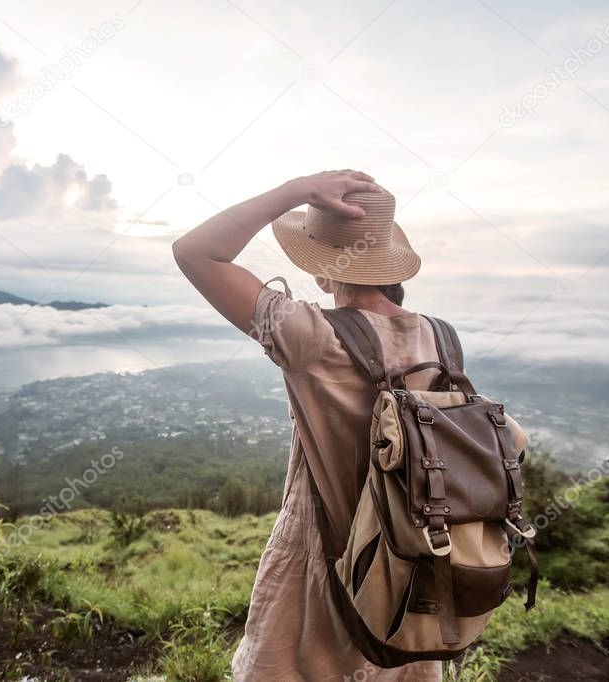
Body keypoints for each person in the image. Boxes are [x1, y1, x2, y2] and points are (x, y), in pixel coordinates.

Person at [173, 169, 443, 681]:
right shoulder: (439, 339)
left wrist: (295, 191)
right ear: (391, 267)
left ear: (322, 273)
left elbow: (195, 252)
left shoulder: (311, 335)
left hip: (323, 572)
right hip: (417, 574)